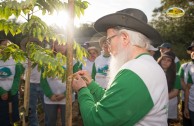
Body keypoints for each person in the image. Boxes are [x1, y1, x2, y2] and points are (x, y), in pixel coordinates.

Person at [71, 8, 168, 126]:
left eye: (109, 40)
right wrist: (91, 84)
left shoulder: (135, 71)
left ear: (124, 38)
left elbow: (95, 121)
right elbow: (114, 103)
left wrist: (81, 90)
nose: (108, 45)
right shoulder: (146, 65)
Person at [0, 39, 24, 126]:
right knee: (2, 118)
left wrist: (13, 90)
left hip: (13, 93)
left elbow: (18, 76)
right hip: (1, 95)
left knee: (13, 117)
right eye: (4, 45)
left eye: (9, 45)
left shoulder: (16, 60)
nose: (6, 47)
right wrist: (2, 92)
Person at [157, 51, 181, 125]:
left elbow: (175, 92)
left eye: (169, 60)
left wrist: (158, 99)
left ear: (172, 63)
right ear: (160, 59)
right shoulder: (154, 71)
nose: (165, 62)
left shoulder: (176, 75)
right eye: (164, 59)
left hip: (166, 104)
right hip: (153, 105)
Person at [179, 61, 192, 126]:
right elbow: (180, 79)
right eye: (192, 50)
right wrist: (187, 90)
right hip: (186, 99)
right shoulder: (185, 66)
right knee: (187, 121)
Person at [184, 42, 194, 125]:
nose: (193, 52)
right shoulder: (191, 69)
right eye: (192, 50)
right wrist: (186, 107)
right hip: (192, 107)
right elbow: (188, 88)